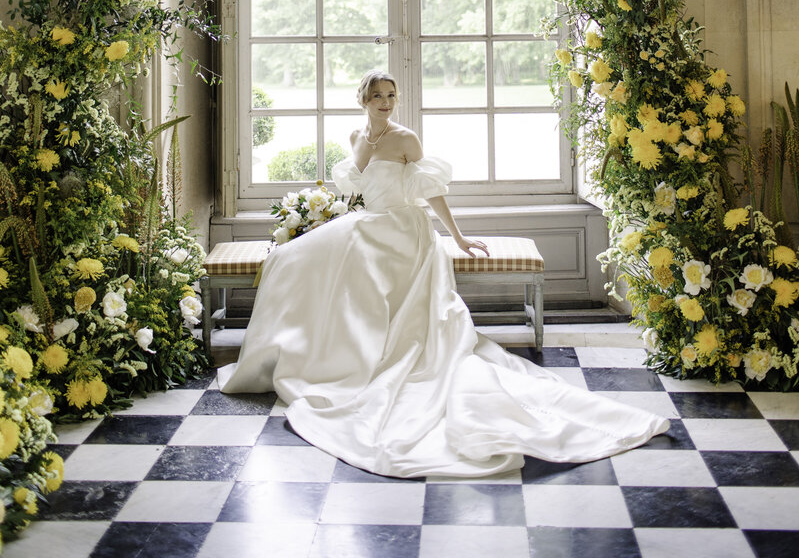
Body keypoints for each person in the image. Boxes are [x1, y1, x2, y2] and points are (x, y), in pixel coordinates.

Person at [218, 69, 670, 477]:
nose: (387, 103)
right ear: (363, 99)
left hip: (404, 231)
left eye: (391, 95)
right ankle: (322, 352)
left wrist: (457, 237)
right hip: (370, 224)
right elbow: (358, 194)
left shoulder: (406, 139)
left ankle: (366, 353)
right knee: (293, 258)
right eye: (378, 96)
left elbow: (431, 195)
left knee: (349, 263)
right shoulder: (356, 136)